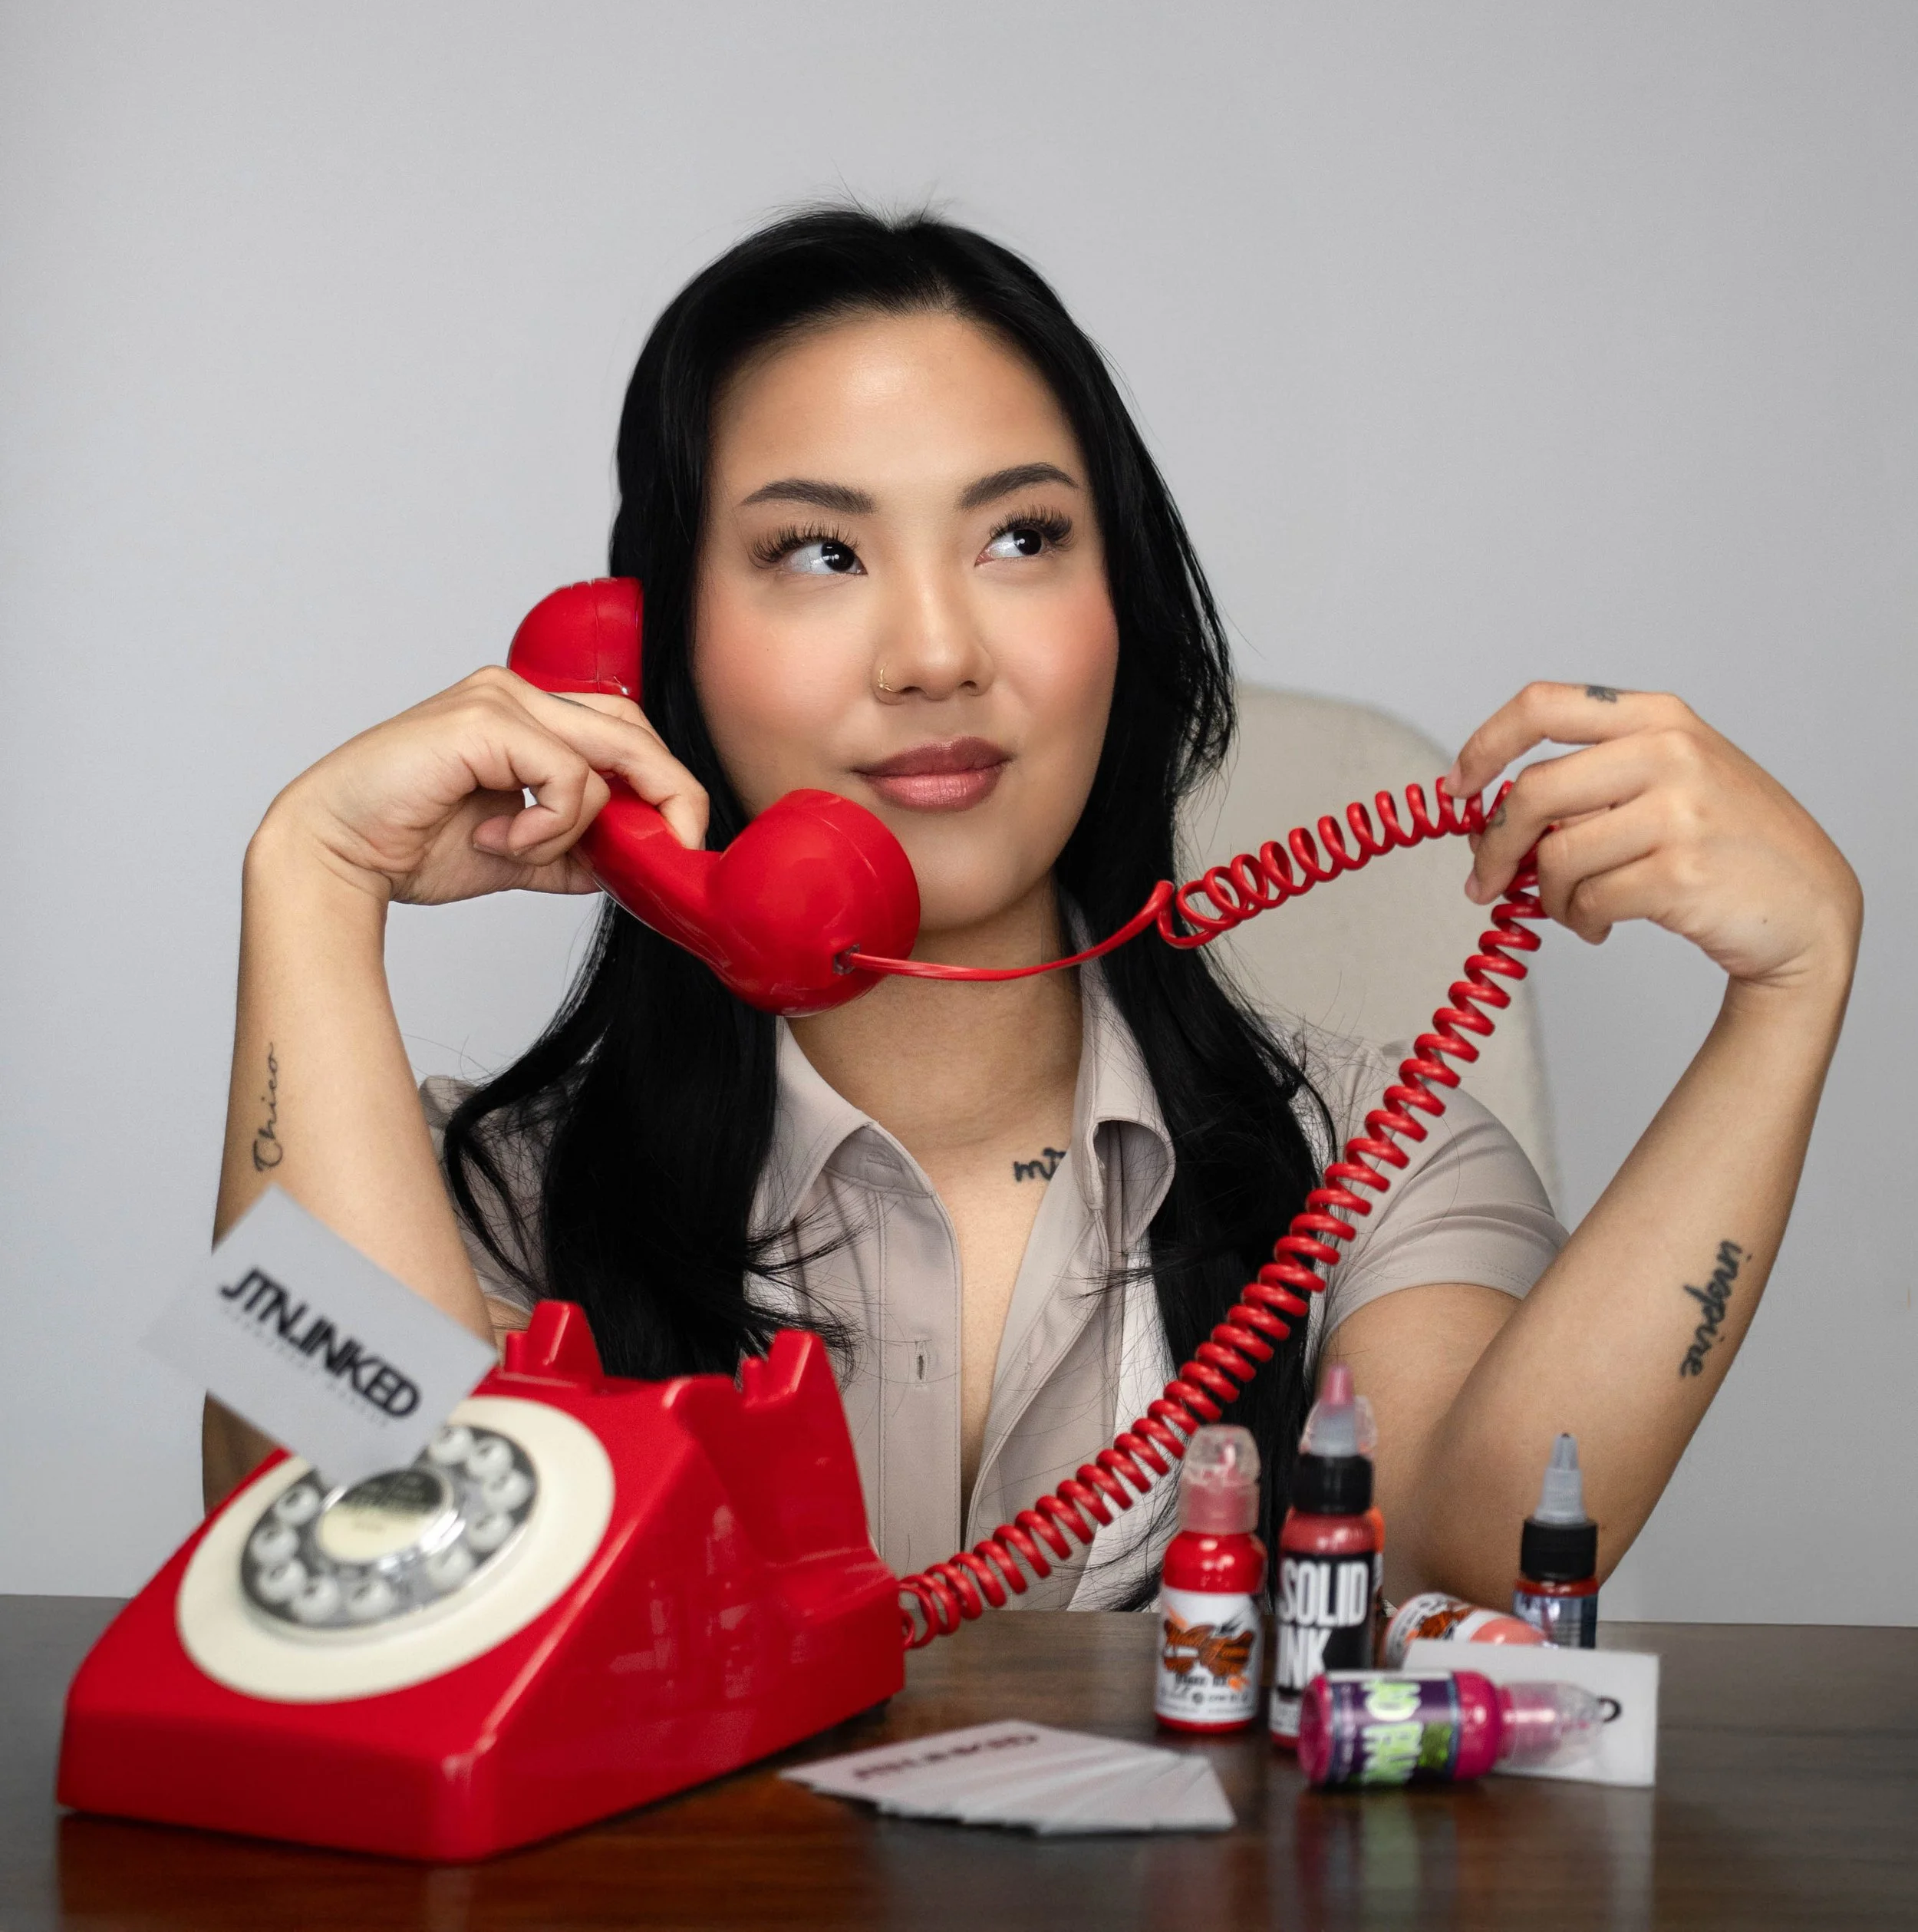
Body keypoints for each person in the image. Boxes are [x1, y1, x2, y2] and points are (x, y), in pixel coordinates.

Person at [206, 208, 1860, 1612]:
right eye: (814, 553)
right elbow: (347, 1559)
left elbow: (1479, 1552)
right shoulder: (495, 1199)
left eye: (1018, 534)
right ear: (655, 657)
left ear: (1118, 607)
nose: (935, 651)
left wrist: (1784, 998)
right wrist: (309, 881)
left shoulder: (1365, 1154)